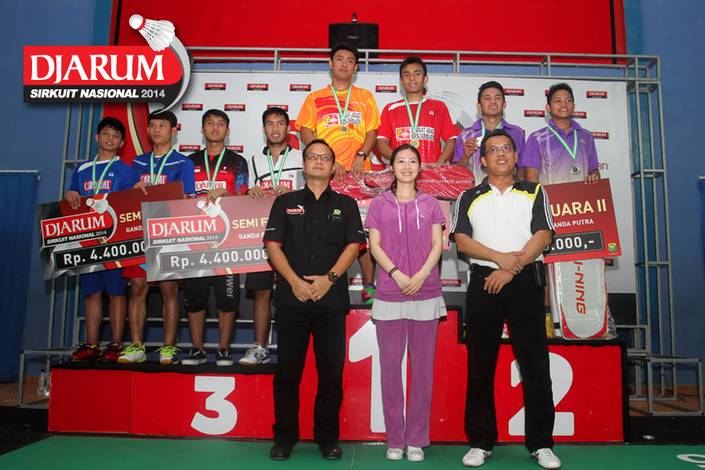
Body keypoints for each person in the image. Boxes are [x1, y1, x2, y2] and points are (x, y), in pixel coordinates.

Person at [450, 129, 561, 469]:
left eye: (506, 149)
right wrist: (500, 260)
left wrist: (511, 269)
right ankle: (480, 442)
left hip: (525, 283)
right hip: (484, 283)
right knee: (480, 365)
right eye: (493, 150)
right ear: (483, 161)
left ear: (515, 156)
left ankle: (541, 444)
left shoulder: (535, 191)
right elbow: (462, 240)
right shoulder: (468, 196)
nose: (500, 154)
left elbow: (543, 235)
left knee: (535, 366)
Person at [264, 139, 365, 461]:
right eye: (312, 157)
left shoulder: (346, 205)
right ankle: (284, 438)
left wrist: (328, 280)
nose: (318, 161)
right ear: (304, 164)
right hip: (292, 298)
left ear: (333, 166)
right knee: (287, 373)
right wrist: (295, 282)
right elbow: (272, 245)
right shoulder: (285, 202)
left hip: (330, 300)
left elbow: (353, 247)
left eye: (325, 157)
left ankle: (327, 438)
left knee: (330, 374)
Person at [365, 144, 446, 462]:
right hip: (390, 291)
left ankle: (416, 439)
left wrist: (422, 274)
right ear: (392, 166)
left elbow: (437, 244)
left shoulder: (432, 204)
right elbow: (374, 246)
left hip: (426, 292)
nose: (407, 166)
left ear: (420, 167)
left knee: (422, 371)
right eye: (401, 161)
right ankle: (395, 440)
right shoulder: (378, 204)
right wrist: (397, 275)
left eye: (413, 161)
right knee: (390, 370)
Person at [295, 43, 379, 304]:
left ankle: (369, 289)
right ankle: (322, 283)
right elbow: (306, 131)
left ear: (356, 67)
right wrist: (330, 160)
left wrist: (361, 155)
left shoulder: (365, 97)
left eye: (350, 60)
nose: (344, 63)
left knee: (363, 236)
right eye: (339, 59)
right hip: (327, 177)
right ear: (331, 64)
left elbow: (372, 132)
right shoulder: (315, 98)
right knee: (327, 234)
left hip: (359, 176)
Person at [117, 110, 195, 365]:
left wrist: (166, 195)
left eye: (162, 125)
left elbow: (188, 199)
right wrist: (132, 190)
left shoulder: (182, 163)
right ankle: (136, 345)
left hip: (168, 234)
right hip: (139, 233)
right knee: (137, 287)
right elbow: (124, 199)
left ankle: (168, 347)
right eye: (152, 125)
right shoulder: (137, 163)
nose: (156, 129)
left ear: (173, 130)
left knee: (168, 289)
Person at [65, 117, 137, 362]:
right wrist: (70, 193)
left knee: (116, 292)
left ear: (122, 142)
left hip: (116, 239)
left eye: (116, 135)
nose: (110, 138)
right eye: (106, 133)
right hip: (88, 240)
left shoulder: (127, 170)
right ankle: (92, 344)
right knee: (92, 292)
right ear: (97, 137)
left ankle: (116, 344)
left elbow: (129, 203)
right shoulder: (82, 169)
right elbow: (73, 196)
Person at [181, 109, 249, 366]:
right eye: (210, 123)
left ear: (227, 130)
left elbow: (243, 197)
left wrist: (225, 194)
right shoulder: (189, 162)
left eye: (220, 124)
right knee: (195, 297)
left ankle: (223, 349)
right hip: (195, 240)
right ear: (202, 129)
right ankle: (197, 350)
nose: (215, 128)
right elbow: (180, 198)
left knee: (227, 298)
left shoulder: (237, 161)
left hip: (227, 241)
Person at [241, 107, 304, 365]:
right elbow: (247, 192)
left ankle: (293, 349)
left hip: (296, 234)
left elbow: (311, 194)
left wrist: (292, 193)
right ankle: (260, 347)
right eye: (270, 124)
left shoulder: (302, 157)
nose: (275, 128)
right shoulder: (254, 159)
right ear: (263, 128)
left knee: (294, 290)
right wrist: (252, 192)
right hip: (264, 233)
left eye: (280, 123)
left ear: (288, 128)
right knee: (261, 291)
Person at [377, 56, 458, 166]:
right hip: (401, 171)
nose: (412, 78)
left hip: (431, 171)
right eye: (407, 75)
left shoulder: (438, 107)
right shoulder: (390, 109)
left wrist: (440, 161)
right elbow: (381, 142)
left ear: (425, 79)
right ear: (401, 81)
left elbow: (451, 140)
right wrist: (398, 160)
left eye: (417, 74)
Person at [519, 82, 600, 184]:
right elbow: (532, 177)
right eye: (558, 101)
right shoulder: (537, 138)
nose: (564, 104)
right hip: (550, 194)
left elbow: (594, 170)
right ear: (548, 108)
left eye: (568, 100)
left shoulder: (586, 136)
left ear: (573, 106)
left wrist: (594, 176)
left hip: (582, 194)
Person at [453, 81, 526, 180]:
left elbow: (522, 168)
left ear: (504, 104)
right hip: (475, 188)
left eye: (497, 98)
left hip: (508, 188)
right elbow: (456, 173)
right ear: (479, 106)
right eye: (487, 98)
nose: (493, 102)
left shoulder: (517, 133)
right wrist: (465, 156)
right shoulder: (466, 135)